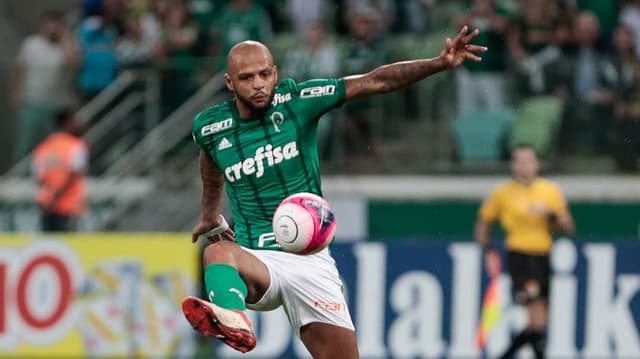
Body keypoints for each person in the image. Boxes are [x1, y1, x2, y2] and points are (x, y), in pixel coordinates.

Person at [183, 26, 486, 357]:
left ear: (275, 73)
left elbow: (374, 81)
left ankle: (233, 315)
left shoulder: (298, 102)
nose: (258, 83)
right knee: (216, 253)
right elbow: (210, 158)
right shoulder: (210, 126)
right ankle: (233, 318)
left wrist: (437, 63)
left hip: (310, 260)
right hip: (258, 259)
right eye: (246, 77)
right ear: (230, 83)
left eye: (264, 74)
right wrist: (209, 211)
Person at [474, 144, 575, 359]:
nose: (524, 166)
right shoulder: (503, 193)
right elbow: (484, 224)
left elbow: (568, 227)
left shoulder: (550, 191)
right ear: (513, 165)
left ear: (537, 164)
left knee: (539, 321)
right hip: (520, 257)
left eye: (528, 161)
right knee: (536, 317)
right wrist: (487, 251)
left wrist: (551, 215)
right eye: (519, 161)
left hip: (543, 256)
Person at [10, 9, 79, 164]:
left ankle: (53, 175)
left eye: (57, 24)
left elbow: (74, 62)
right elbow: (19, 69)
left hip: (58, 105)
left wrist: (66, 38)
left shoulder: (68, 45)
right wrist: (16, 93)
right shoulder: (31, 44)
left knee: (56, 144)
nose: (52, 28)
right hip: (32, 102)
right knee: (26, 143)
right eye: (49, 24)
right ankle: (19, 177)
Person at [32, 110, 88, 232]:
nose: (78, 125)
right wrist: (56, 197)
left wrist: (50, 198)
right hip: (70, 207)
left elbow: (39, 177)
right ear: (67, 123)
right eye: (75, 122)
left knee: (49, 245)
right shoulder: (76, 145)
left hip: (47, 206)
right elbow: (74, 174)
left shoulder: (43, 147)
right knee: (69, 247)